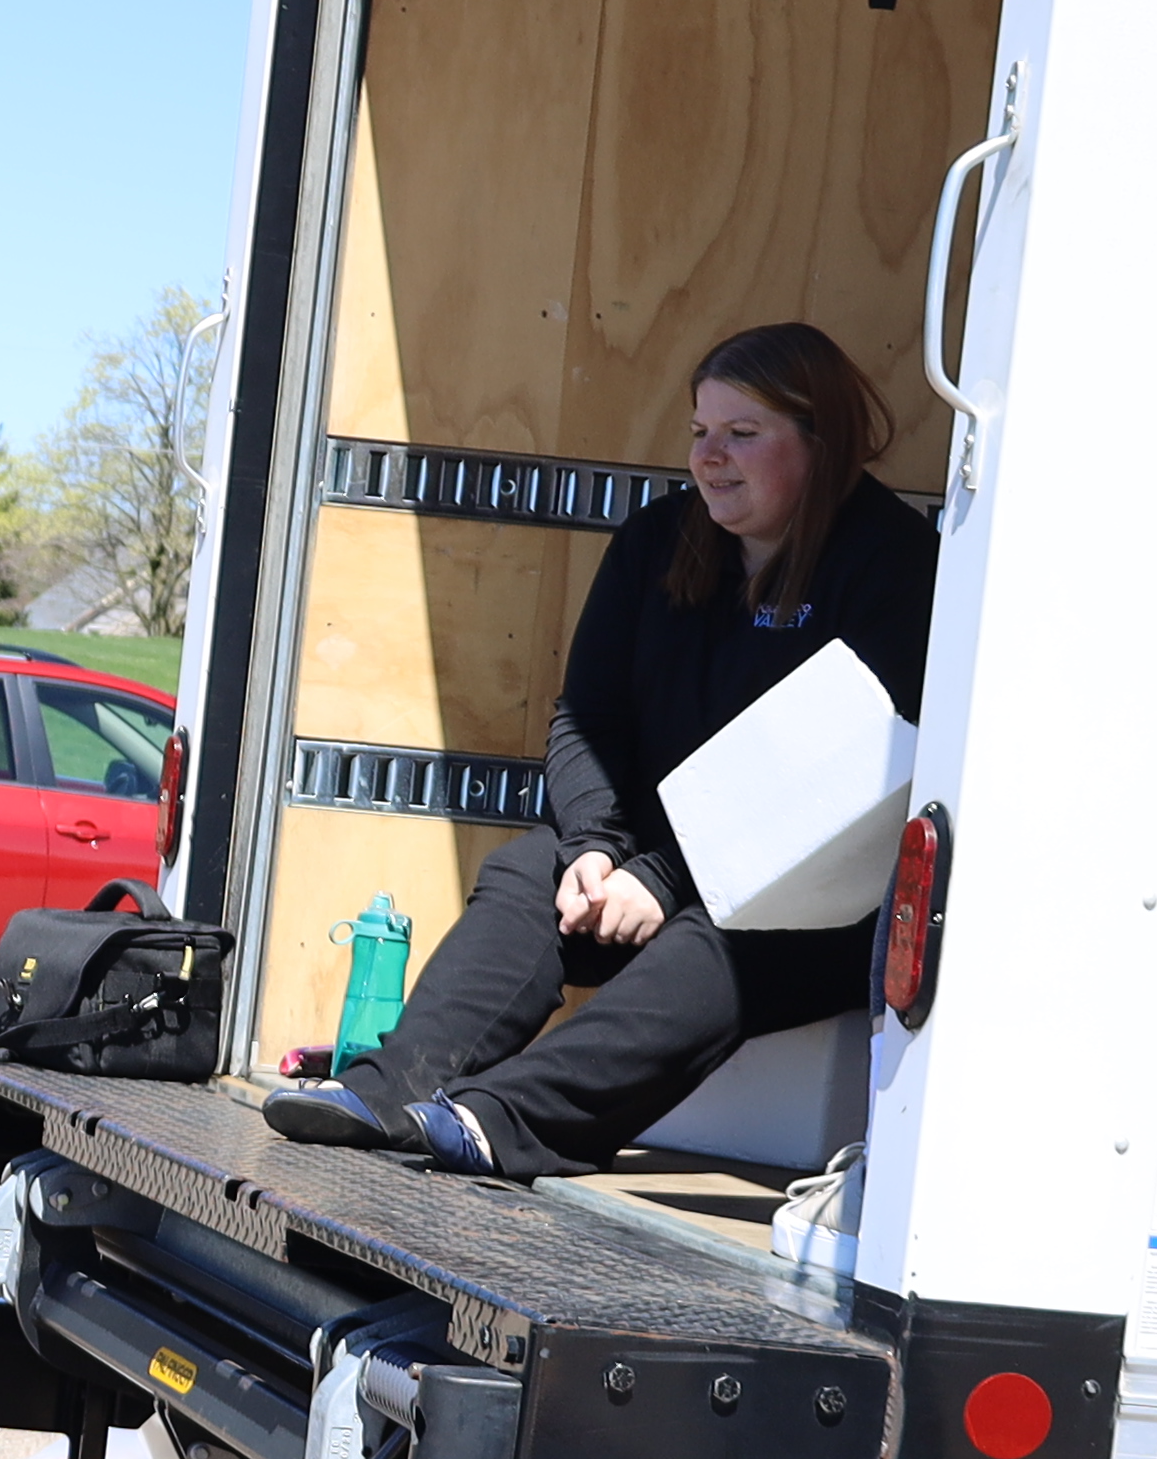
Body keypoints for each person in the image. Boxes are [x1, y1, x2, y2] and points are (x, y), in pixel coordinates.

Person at [277, 320, 931, 1182]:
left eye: (743, 435)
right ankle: (389, 1092)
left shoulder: (894, 564)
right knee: (528, 870)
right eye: (700, 433)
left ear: (821, 440)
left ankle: (495, 1124)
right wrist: (592, 846)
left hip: (818, 904)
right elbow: (587, 717)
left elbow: (839, 777)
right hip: (647, 868)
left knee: (727, 942)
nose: (710, 458)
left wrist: (660, 880)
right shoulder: (658, 545)